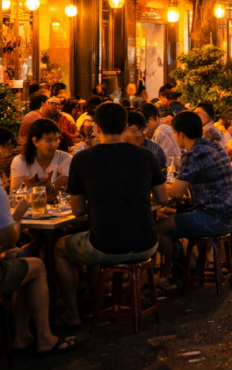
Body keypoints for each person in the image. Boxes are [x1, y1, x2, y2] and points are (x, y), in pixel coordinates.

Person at [54, 103, 168, 328]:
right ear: (125, 127)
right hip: (147, 242)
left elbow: (77, 210)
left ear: (96, 128)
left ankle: (72, 314)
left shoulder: (82, 159)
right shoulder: (146, 156)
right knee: (92, 238)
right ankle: (100, 295)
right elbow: (163, 199)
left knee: (59, 248)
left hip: (105, 245)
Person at [0, 132, 74, 355]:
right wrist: (18, 213)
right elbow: (10, 241)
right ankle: (43, 338)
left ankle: (22, 334)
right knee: (36, 266)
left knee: (19, 259)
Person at [156, 112, 232, 285]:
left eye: (174, 133)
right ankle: (186, 268)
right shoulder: (214, 146)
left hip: (215, 217)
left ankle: (189, 266)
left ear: (181, 134)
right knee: (169, 217)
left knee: (157, 229)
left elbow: (176, 192)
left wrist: (157, 186)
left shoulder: (193, 154)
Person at [10, 118, 71, 195]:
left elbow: (68, 183)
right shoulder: (20, 161)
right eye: (48, 140)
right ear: (36, 141)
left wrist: (52, 186)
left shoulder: (65, 158)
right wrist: (38, 189)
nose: (55, 145)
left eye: (57, 139)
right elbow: (14, 193)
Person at [146, 102, 180, 170]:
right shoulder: (157, 131)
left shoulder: (162, 131)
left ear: (152, 119)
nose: (145, 127)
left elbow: (171, 160)